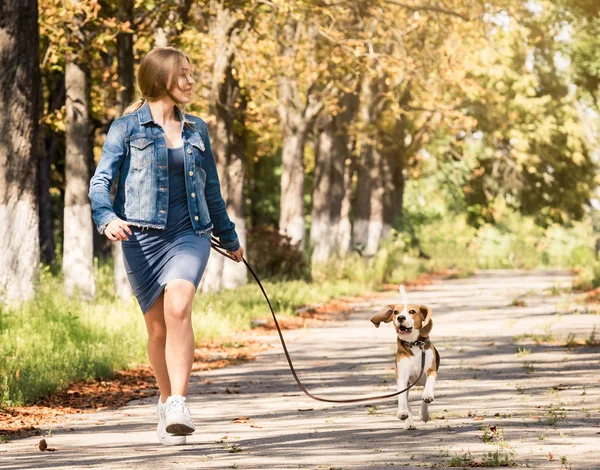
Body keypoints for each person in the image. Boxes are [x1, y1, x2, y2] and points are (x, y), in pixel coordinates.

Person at [88, 46, 244, 446]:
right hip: (140, 237)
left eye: (192, 73)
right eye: (183, 74)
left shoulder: (197, 129)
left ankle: (178, 402)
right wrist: (107, 219)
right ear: (160, 79)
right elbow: (101, 182)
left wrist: (229, 238)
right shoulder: (125, 129)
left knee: (179, 306)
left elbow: (211, 189)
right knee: (157, 329)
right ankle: (164, 403)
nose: (191, 81)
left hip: (190, 233)